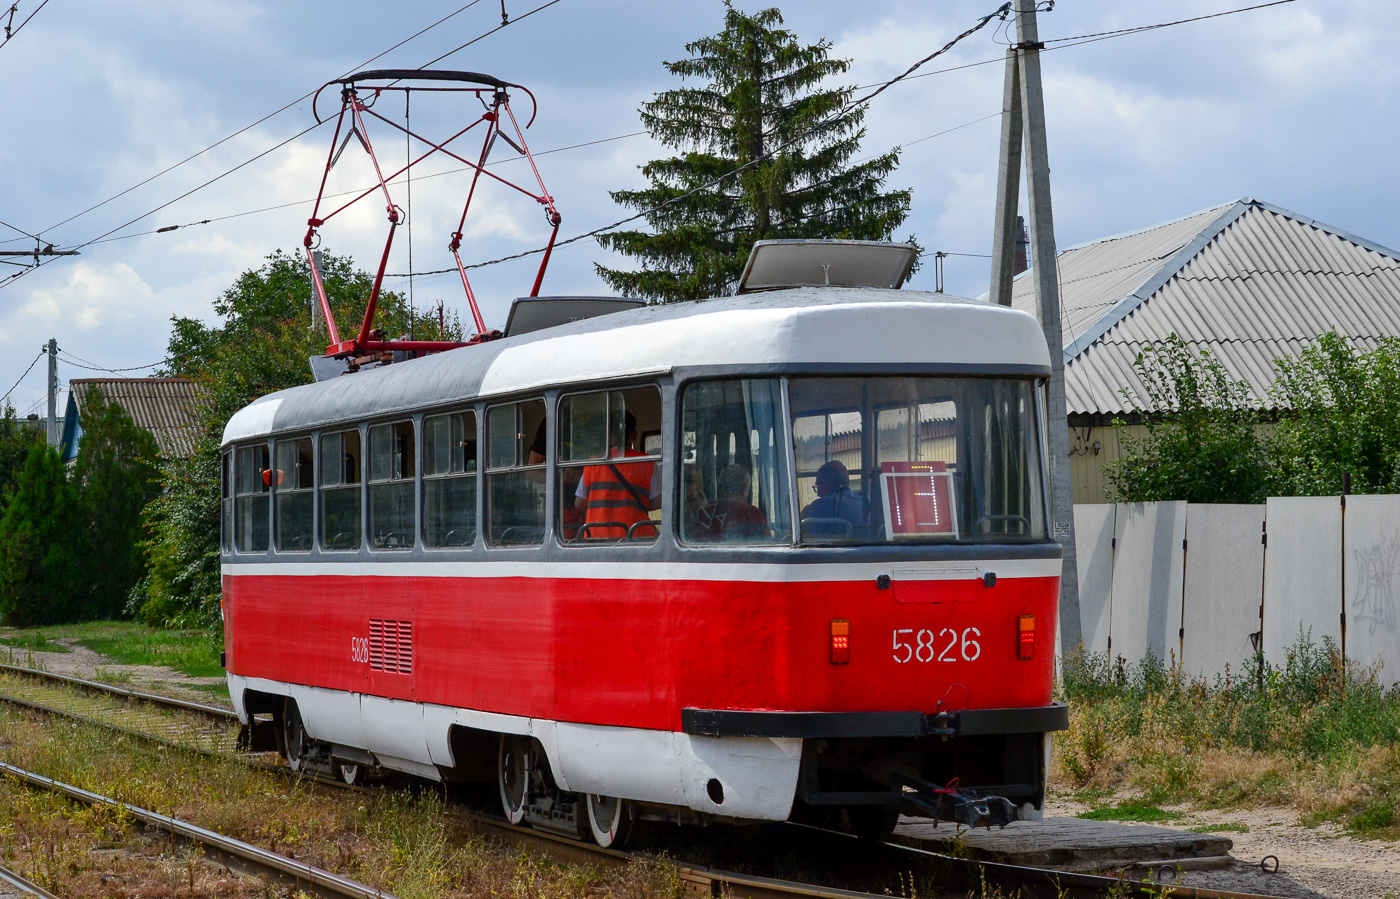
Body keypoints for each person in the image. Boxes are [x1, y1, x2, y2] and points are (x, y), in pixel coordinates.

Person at [574, 410, 660, 539]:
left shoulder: (592, 463)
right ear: (635, 435)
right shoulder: (647, 462)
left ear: (608, 435)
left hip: (596, 538)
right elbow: (658, 502)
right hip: (637, 537)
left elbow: (579, 503)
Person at [692, 464, 766, 541]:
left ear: (720, 487)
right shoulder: (753, 513)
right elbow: (764, 543)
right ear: (745, 489)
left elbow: (696, 542)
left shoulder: (706, 511)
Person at [801, 460, 864, 530]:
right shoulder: (867, 501)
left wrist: (805, 514)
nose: (818, 494)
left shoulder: (819, 506)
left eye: (817, 487)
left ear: (824, 485)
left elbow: (808, 537)